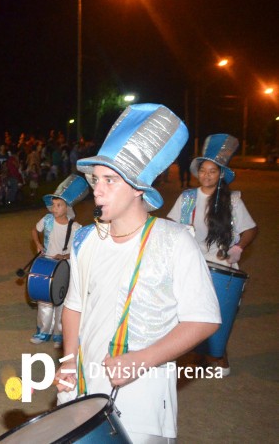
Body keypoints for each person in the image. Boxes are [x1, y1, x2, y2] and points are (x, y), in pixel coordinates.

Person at [55, 104, 221, 443]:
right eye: (96, 180)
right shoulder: (87, 239)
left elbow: (204, 320)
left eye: (110, 181)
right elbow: (74, 307)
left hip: (143, 402)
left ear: (138, 189)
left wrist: (140, 361)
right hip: (82, 390)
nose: (97, 190)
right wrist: (69, 361)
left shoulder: (174, 241)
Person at [166, 134, 257, 376]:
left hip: (221, 265)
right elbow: (170, 226)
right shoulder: (186, 198)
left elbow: (250, 229)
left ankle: (218, 354)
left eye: (213, 171)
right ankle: (193, 353)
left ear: (220, 175)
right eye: (203, 170)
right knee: (186, 313)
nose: (206, 175)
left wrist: (239, 248)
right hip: (192, 265)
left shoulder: (232, 201)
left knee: (218, 314)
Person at [29, 174, 88, 348]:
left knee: (61, 300)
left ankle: (59, 334)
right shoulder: (47, 220)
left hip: (64, 267)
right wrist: (38, 244)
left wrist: (66, 256)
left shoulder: (75, 227)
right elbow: (34, 230)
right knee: (44, 300)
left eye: (59, 205)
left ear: (67, 208)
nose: (54, 209)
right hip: (47, 263)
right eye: (53, 205)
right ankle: (43, 331)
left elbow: (79, 250)